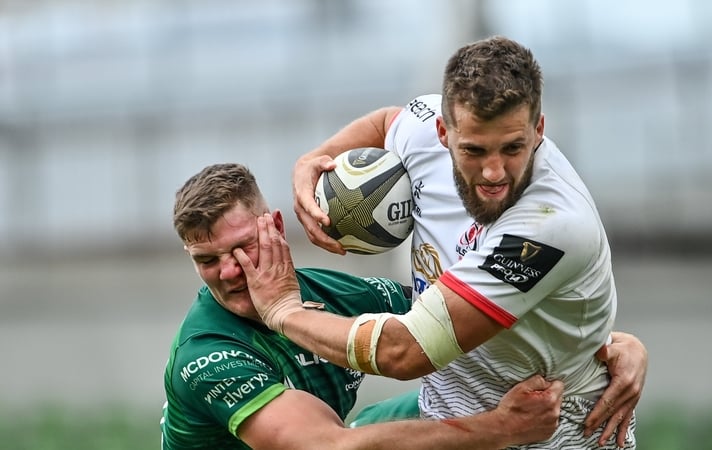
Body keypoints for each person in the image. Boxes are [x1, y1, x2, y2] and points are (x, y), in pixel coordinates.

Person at [241, 36, 645, 448]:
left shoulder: (550, 225)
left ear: (538, 130)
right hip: (450, 418)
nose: (493, 172)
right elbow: (387, 123)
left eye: (513, 148)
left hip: (549, 437)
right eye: (474, 150)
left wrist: (283, 309)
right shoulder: (422, 135)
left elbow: (405, 351)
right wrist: (314, 159)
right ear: (441, 132)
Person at [160, 162, 568, 450]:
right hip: (325, 444)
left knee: (485, 401)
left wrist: (609, 344)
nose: (229, 272)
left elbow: (466, 317)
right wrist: (500, 429)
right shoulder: (205, 356)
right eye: (207, 260)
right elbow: (327, 448)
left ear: (277, 228)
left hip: (337, 436)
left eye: (242, 247)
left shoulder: (337, 295)